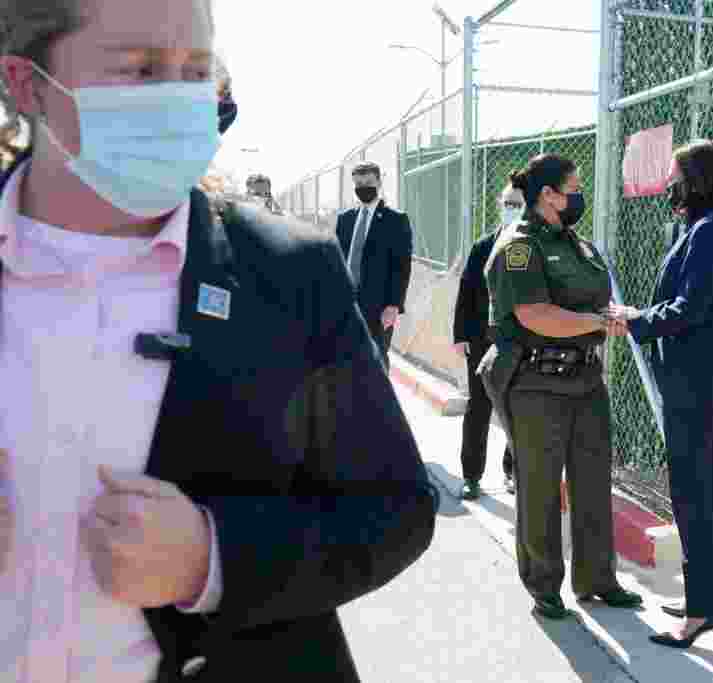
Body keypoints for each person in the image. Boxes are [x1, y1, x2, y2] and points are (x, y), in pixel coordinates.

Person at [0, 2, 437, 682]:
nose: (177, 100)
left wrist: (212, 558)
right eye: (140, 70)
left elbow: (396, 508)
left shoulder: (288, 274)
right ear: (26, 84)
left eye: (196, 71)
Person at [478, 154, 642, 619]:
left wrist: (609, 315)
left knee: (592, 483)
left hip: (586, 379)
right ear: (548, 195)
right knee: (540, 486)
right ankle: (544, 584)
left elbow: (598, 297)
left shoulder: (580, 245)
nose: (579, 195)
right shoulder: (520, 246)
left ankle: (598, 580)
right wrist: (596, 321)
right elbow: (535, 314)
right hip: (536, 381)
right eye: (573, 187)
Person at [607, 140, 713, 649]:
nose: (669, 183)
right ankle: (710, 595)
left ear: (696, 180)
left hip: (696, 383)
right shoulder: (709, 229)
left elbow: (689, 309)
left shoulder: (710, 232)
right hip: (699, 380)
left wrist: (634, 320)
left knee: (694, 494)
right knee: (708, 489)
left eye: (674, 175)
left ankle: (700, 612)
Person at [452, 184, 521, 499]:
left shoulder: (535, 245)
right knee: (478, 407)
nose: (511, 207)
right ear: (499, 205)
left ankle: (513, 473)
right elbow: (466, 290)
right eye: (507, 202)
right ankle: (471, 476)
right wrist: (460, 335)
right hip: (482, 341)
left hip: (521, 340)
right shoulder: (483, 246)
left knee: (517, 409)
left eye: (517, 203)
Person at [336, 161, 413, 370]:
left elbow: (402, 266)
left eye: (368, 182)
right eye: (358, 183)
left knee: (375, 360)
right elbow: (338, 260)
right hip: (346, 304)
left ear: (379, 182)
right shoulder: (344, 219)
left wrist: (394, 305)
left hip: (378, 307)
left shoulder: (395, 220)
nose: (363, 188)